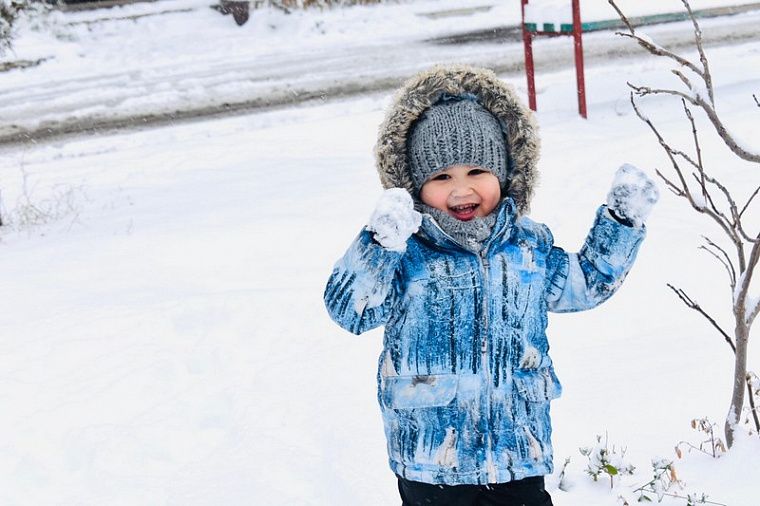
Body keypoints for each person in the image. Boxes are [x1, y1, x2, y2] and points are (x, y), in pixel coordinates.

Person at [323, 64, 658, 506]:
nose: (461, 189)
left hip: (518, 454)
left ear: (504, 173)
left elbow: (587, 283)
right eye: (441, 177)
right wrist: (378, 244)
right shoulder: (407, 255)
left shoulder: (528, 250)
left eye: (477, 171)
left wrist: (620, 223)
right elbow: (350, 308)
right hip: (431, 463)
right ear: (415, 188)